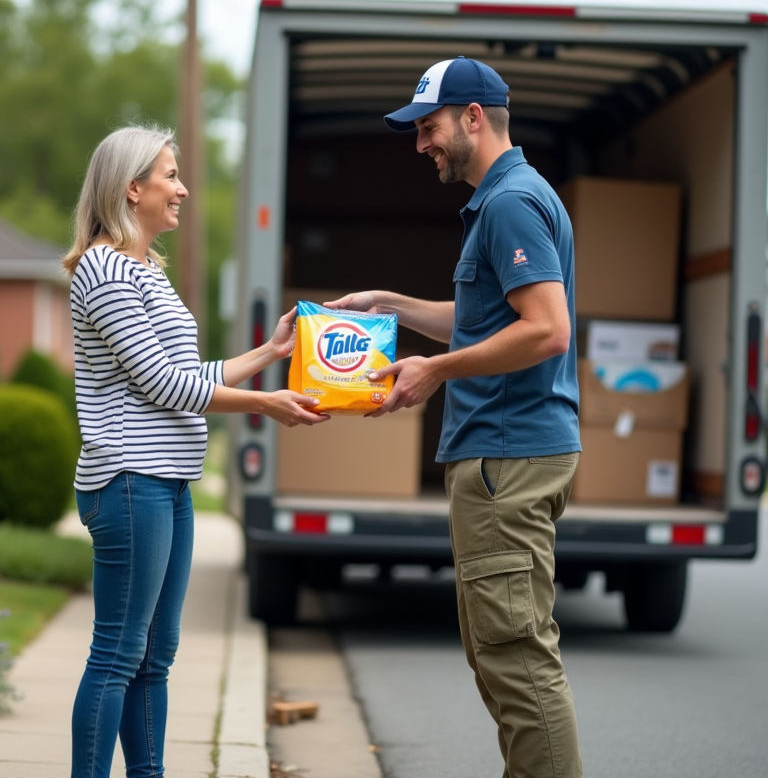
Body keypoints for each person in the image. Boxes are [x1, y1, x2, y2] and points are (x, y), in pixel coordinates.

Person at [327, 57, 583, 778]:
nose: (420, 145)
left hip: (507, 455)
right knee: (500, 656)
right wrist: (388, 305)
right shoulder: (507, 199)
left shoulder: (509, 204)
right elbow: (480, 320)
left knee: (517, 661)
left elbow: (547, 329)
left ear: (474, 117)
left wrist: (434, 371)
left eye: (428, 127)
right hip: (508, 453)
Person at [61, 124, 326, 778]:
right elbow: (165, 385)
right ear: (132, 188)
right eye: (170, 175)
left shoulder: (146, 270)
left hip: (168, 482)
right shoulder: (104, 269)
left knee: (154, 658)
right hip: (130, 481)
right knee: (117, 655)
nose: (182, 189)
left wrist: (270, 353)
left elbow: (187, 372)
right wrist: (265, 404)